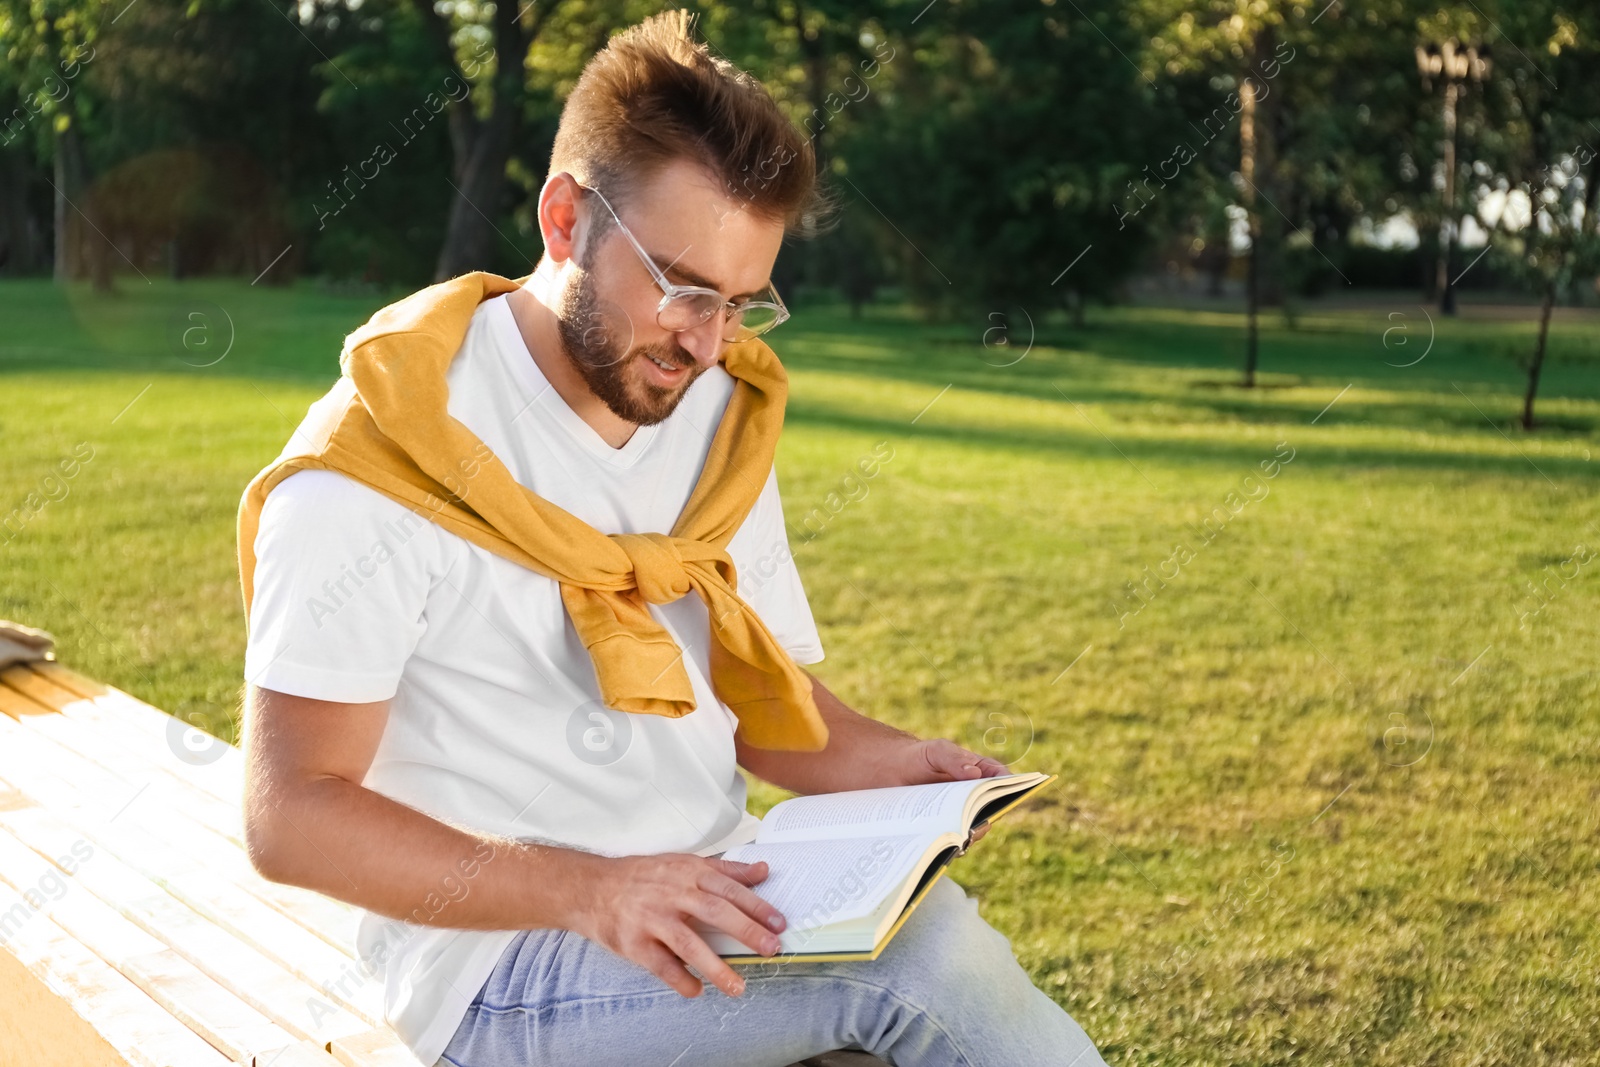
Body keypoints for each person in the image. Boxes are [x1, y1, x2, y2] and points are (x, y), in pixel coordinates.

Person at [238, 10, 1106, 1066]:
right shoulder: (377, 456)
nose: (707, 340)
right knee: (916, 965)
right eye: (684, 288)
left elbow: (752, 711)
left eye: (743, 302)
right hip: (501, 959)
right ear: (566, 220)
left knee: (930, 944)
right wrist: (591, 888)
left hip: (710, 885)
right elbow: (292, 816)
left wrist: (897, 762)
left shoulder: (711, 412)